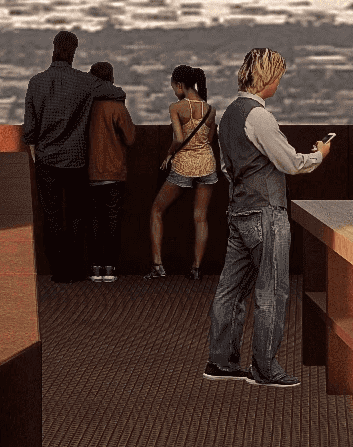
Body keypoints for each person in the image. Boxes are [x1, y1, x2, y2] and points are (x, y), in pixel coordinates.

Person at [206, 48, 326, 388]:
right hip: (267, 213)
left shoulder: (229, 114)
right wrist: (319, 155)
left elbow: (227, 168)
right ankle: (264, 368)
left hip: (239, 210)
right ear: (267, 77)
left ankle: (221, 362)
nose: (279, 83)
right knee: (272, 291)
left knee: (230, 291)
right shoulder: (259, 117)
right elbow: (290, 162)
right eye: (278, 77)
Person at [22, 31, 136, 283]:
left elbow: (29, 129)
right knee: (75, 215)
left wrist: (36, 152)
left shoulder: (36, 83)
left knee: (51, 214)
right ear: (74, 51)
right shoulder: (84, 82)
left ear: (53, 49)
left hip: (46, 159)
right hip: (75, 160)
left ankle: (58, 269)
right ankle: (74, 267)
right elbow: (115, 91)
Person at [146, 65, 220, 277]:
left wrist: (169, 154)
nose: (173, 91)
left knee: (156, 211)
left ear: (180, 85)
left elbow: (178, 138)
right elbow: (209, 140)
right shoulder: (210, 109)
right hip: (207, 164)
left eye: (172, 86)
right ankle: (196, 268)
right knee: (200, 217)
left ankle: (158, 266)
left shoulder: (176, 108)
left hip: (184, 164)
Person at [82, 62, 133, 283]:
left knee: (93, 220)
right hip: (114, 171)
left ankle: (94, 268)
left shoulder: (84, 106)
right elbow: (130, 138)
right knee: (111, 221)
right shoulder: (117, 106)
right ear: (111, 78)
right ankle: (110, 268)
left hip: (90, 171)